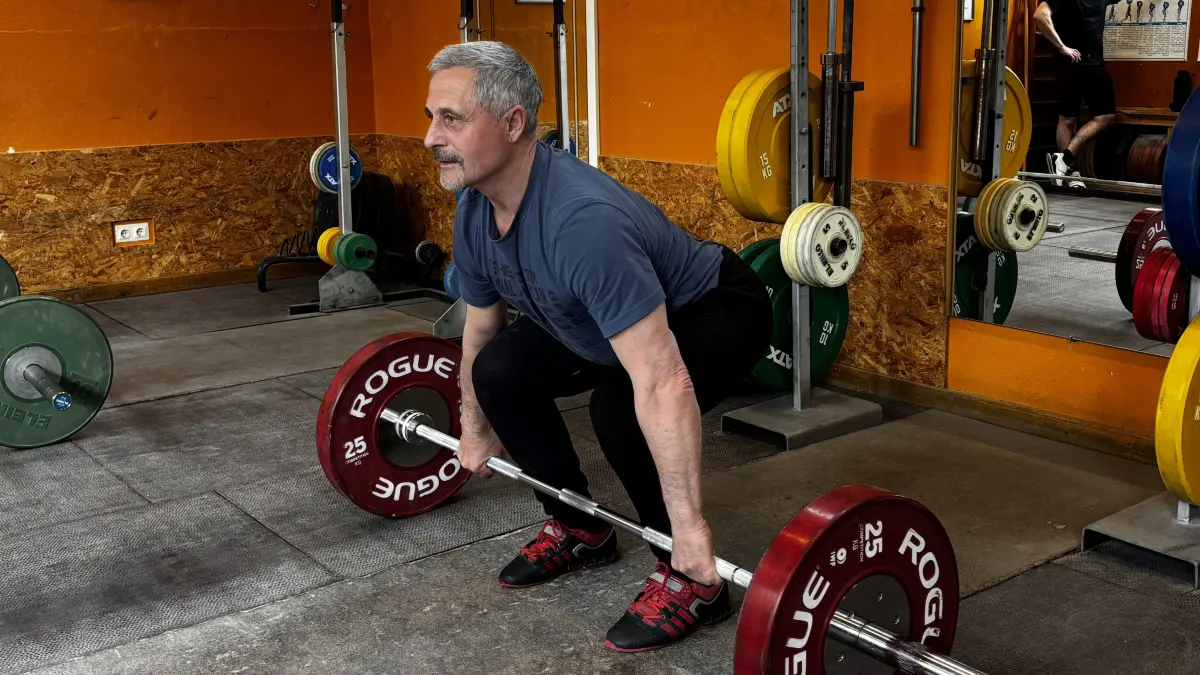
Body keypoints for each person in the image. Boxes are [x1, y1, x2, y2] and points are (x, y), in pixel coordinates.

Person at [422, 41, 773, 653]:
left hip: (714, 306)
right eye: (430, 117)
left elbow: (663, 381)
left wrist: (689, 530)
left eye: (450, 118)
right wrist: (476, 428)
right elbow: (478, 333)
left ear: (512, 124)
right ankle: (579, 528)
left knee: (620, 408)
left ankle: (692, 579)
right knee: (501, 370)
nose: (430, 137)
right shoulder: (474, 209)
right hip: (593, 319)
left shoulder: (581, 222)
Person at [1035, 0, 1121, 188]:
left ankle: (1064, 159)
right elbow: (1040, 15)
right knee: (1067, 119)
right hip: (1070, 64)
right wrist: (1061, 47)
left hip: (1095, 63)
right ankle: (1070, 173)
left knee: (1106, 117)